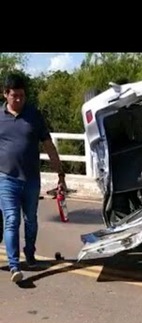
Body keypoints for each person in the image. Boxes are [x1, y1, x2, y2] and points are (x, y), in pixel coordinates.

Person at [0, 72, 67, 283]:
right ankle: (13, 265)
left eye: (22, 95)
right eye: (15, 95)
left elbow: (48, 146)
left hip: (31, 180)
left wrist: (60, 173)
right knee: (11, 220)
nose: (19, 99)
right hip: (6, 179)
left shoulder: (34, 115)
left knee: (31, 221)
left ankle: (29, 254)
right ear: (5, 94)